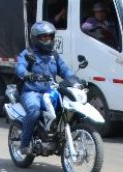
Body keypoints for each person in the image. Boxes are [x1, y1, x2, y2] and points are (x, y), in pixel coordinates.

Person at [15, 21, 79, 155]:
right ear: (35, 38)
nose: (48, 40)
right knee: (34, 111)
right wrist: (27, 74)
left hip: (50, 91)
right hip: (32, 91)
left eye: (50, 37)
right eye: (44, 37)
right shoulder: (28, 53)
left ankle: (57, 135)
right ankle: (24, 143)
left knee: (67, 108)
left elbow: (65, 70)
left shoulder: (54, 55)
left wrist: (74, 80)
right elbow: (19, 67)